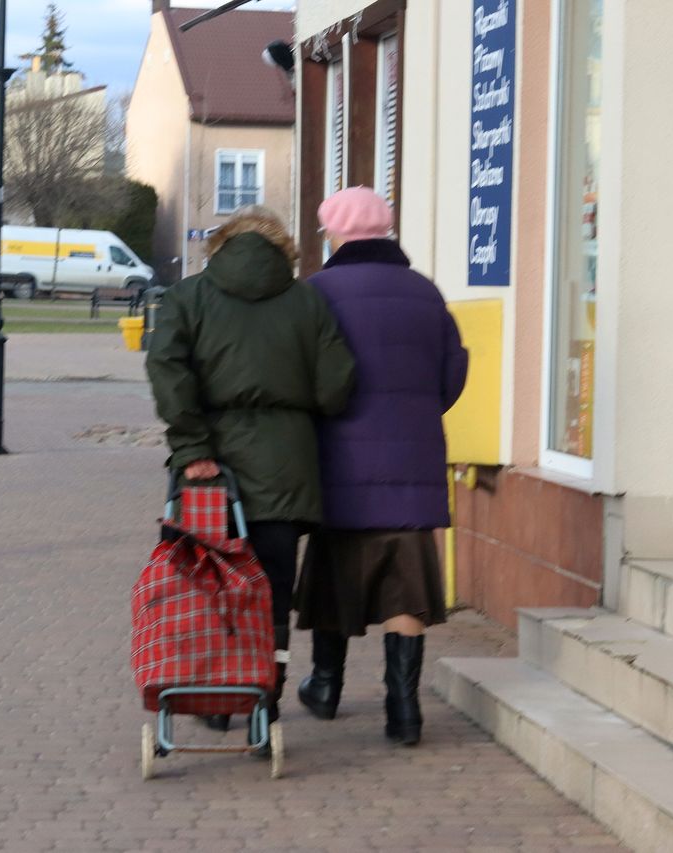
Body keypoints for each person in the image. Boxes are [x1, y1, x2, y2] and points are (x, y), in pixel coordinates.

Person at [146, 205, 356, 728]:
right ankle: (267, 695)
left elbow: (167, 369)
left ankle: (216, 698)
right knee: (273, 587)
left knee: (211, 578)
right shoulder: (308, 301)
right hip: (288, 458)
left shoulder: (187, 297)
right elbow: (336, 388)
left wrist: (193, 446)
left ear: (220, 244)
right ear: (282, 249)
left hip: (210, 468)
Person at [293, 187, 469, 746]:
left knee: (332, 576)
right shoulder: (425, 292)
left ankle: (325, 687)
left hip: (339, 460)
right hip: (412, 461)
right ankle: (404, 710)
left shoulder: (315, 293)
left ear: (334, 233)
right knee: (408, 586)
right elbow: (452, 374)